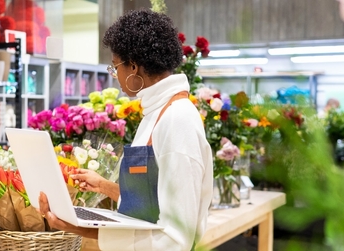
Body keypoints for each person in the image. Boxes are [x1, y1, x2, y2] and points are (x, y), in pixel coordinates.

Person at [38, 9, 213, 251]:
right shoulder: (156, 112)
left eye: (115, 66)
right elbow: (150, 207)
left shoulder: (177, 120)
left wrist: (79, 229)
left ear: (133, 67)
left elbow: (175, 240)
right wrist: (102, 187)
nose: (115, 75)